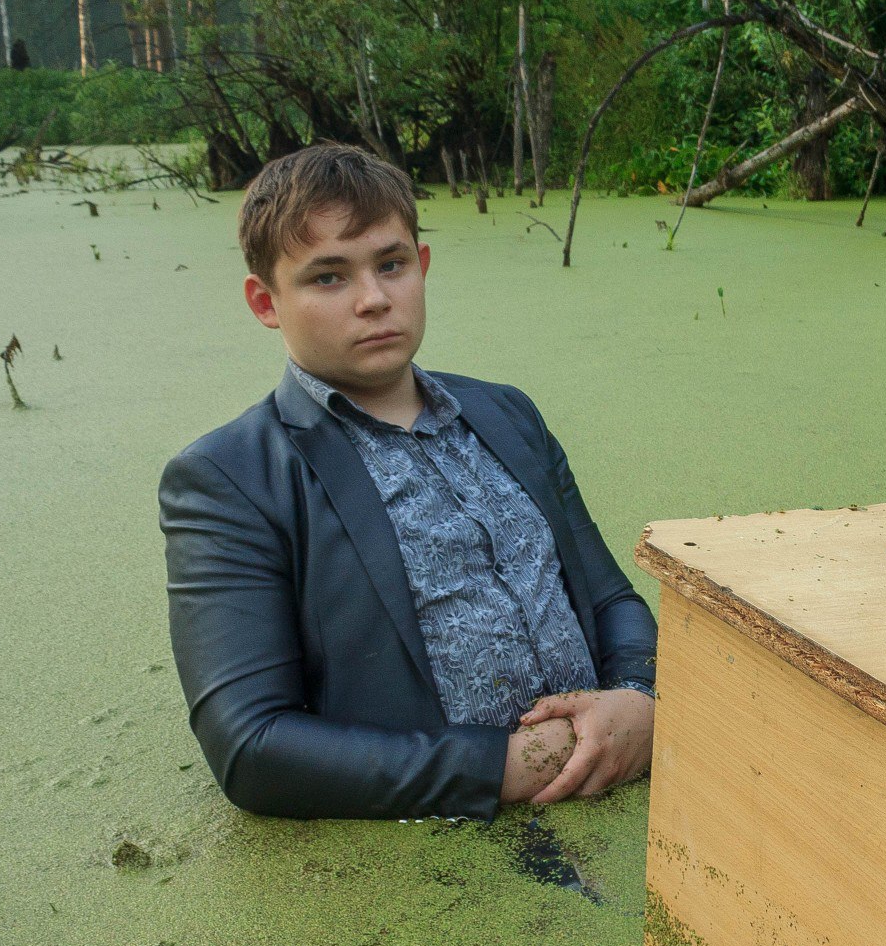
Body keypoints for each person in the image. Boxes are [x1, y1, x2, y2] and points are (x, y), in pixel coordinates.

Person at [159, 142, 656, 819]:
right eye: (328, 278)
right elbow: (251, 747)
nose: (373, 300)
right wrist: (507, 766)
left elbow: (609, 599)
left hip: (627, 792)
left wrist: (639, 697)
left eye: (390, 265)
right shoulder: (230, 477)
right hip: (448, 844)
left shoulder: (508, 413)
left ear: (420, 266)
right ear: (265, 301)